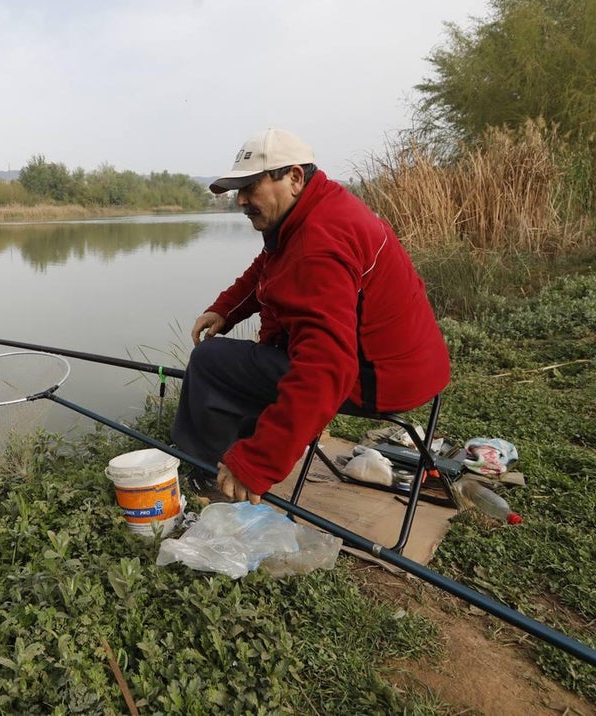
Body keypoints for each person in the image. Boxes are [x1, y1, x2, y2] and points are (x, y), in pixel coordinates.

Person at [171, 128, 450, 503]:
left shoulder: (318, 245)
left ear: (294, 178)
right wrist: (226, 308)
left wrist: (257, 465)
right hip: (410, 366)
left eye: (250, 187)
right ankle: (254, 443)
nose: (240, 201)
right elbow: (270, 265)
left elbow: (327, 369)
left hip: (380, 379)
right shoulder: (319, 208)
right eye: (239, 190)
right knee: (251, 358)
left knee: (210, 361)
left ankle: (208, 473)